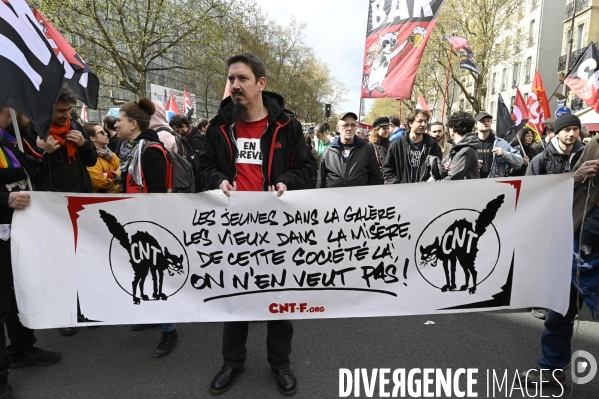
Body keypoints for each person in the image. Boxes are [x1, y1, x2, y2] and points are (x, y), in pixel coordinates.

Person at [199, 53, 313, 396]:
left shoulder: (287, 126)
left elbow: (308, 169)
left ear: (261, 83)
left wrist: (286, 183)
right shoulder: (219, 126)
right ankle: (232, 362)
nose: (234, 85)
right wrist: (218, 180)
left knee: (279, 299)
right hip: (233, 228)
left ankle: (280, 364)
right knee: (235, 298)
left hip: (278, 229)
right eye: (231, 78)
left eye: (242, 78)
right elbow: (203, 167)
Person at [522, 115, 599, 387]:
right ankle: (551, 369)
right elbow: (540, 192)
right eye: (567, 129)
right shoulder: (592, 147)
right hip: (574, 242)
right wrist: (575, 179)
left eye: (575, 129)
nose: (572, 134)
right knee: (559, 311)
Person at [1, 106, 61, 399]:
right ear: (9, 109)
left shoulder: (11, 141)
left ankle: (22, 348)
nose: (31, 119)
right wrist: (4, 199)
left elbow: (29, 177)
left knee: (18, 293)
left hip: (19, 234)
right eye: (26, 111)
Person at [114, 98, 180, 358]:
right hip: (137, 223)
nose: (116, 124)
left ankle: (169, 329)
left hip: (152, 226)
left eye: (119, 120)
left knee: (156, 274)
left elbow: (157, 196)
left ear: (133, 124)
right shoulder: (133, 149)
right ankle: (154, 317)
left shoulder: (151, 151)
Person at [34, 85, 98, 336]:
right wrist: (41, 151)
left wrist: (84, 144)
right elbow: (26, 171)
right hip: (52, 206)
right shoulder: (33, 130)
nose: (66, 116)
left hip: (81, 200)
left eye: (69, 110)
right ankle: (65, 313)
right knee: (60, 262)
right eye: (61, 111)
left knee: (83, 256)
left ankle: (85, 307)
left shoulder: (75, 126)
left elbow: (91, 161)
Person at [318, 112, 382, 188]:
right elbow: (321, 179)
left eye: (353, 125)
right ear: (338, 128)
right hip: (334, 197)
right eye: (345, 125)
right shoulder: (329, 151)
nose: (349, 128)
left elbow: (375, 176)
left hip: (359, 196)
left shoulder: (366, 148)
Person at [383, 109, 442, 184]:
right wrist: (397, 185)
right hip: (403, 192)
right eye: (420, 121)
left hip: (425, 191)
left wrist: (432, 180)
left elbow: (438, 169)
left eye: (425, 121)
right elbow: (388, 169)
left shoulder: (432, 145)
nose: (423, 124)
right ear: (410, 123)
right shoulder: (397, 145)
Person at [474, 112, 522, 178]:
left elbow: (519, 163)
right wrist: (471, 165)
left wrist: (504, 154)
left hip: (493, 184)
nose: (486, 123)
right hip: (472, 183)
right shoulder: (469, 143)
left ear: (491, 123)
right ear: (476, 124)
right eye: (482, 121)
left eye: (488, 121)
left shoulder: (501, 143)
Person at [436, 111, 479, 181]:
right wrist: (444, 167)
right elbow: (442, 167)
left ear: (453, 129)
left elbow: (452, 178)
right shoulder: (457, 147)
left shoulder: (466, 150)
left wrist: (434, 183)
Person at [84, 123, 121, 193]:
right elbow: (100, 183)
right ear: (92, 138)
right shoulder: (89, 158)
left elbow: (125, 172)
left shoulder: (112, 155)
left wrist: (109, 174)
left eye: (105, 131)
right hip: (98, 200)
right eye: (102, 132)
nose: (106, 134)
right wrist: (117, 177)